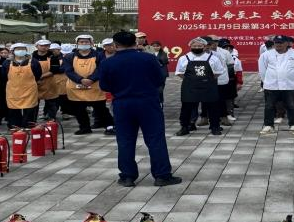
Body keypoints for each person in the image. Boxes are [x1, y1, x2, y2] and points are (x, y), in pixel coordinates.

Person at [97, 31, 181, 187]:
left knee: (125, 140)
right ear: (135, 43)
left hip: (122, 103)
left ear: (115, 45)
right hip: (148, 102)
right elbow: (159, 79)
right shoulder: (148, 58)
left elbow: (104, 86)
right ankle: (162, 175)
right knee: (155, 139)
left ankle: (127, 176)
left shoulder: (107, 63)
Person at [174, 38, 226, 136]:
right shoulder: (184, 58)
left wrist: (208, 80)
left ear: (204, 47)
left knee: (213, 107)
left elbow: (218, 72)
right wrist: (191, 80)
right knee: (186, 108)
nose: (197, 47)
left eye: (199, 46)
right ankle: (185, 127)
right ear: (190, 46)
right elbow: (179, 73)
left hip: (208, 87)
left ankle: (215, 127)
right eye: (194, 46)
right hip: (190, 88)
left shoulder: (213, 58)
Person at [65, 34, 113, 135]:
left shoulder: (99, 55)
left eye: (86, 42)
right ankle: (84, 127)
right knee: (79, 110)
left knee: (101, 109)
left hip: (95, 87)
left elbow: (101, 68)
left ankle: (110, 127)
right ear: (76, 43)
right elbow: (68, 71)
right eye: (81, 42)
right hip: (76, 88)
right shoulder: (70, 56)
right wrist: (80, 80)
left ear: (91, 43)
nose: (84, 44)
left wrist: (91, 79)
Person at [259, 34, 294, 135]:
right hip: (271, 85)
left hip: (288, 85)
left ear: (287, 43)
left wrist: (289, 76)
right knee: (269, 106)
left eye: (281, 42)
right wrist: (266, 81)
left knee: (291, 105)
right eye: (276, 42)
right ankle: (268, 125)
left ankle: (293, 125)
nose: (278, 44)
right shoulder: (266, 55)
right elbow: (262, 70)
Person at [4, 43, 43, 128]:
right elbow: (4, 75)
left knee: (30, 108)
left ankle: (28, 125)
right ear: (13, 51)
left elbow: (38, 74)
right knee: (13, 108)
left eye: (23, 49)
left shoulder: (33, 62)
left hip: (29, 89)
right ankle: (15, 125)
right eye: (18, 49)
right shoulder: (7, 62)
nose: (21, 51)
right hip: (13, 89)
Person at [32, 40, 63, 121]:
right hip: (34, 82)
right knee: (34, 103)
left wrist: (40, 77)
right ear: (37, 46)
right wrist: (35, 78)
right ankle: (32, 120)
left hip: (49, 82)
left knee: (51, 102)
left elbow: (54, 70)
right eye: (41, 45)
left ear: (49, 47)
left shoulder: (53, 57)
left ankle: (51, 119)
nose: (44, 47)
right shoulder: (31, 57)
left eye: (46, 46)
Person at [216, 38, 240, 123]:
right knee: (218, 98)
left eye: (229, 48)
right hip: (216, 80)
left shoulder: (234, 57)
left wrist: (238, 82)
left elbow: (237, 70)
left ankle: (229, 114)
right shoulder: (214, 54)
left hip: (230, 79)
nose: (227, 49)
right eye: (225, 47)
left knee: (229, 98)